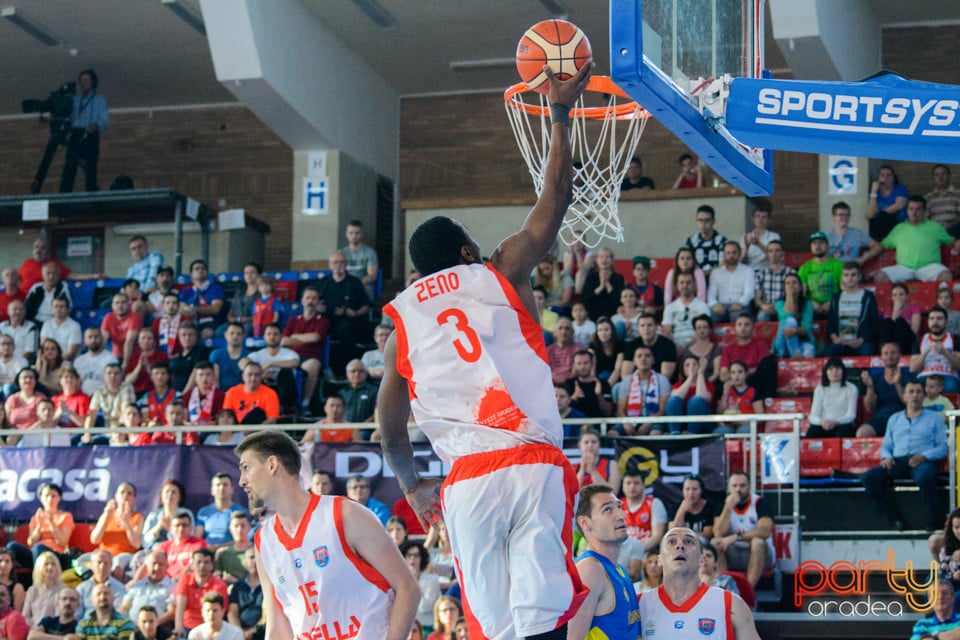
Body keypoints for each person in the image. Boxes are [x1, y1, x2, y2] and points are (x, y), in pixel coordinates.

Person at [378, 64, 592, 640]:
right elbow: (558, 196)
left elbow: (389, 427)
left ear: (420, 273)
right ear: (468, 247)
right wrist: (560, 111)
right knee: (544, 616)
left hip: (467, 478)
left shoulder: (404, 321)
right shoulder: (500, 268)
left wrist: (413, 487)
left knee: (492, 628)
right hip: (531, 462)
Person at [235, 430, 420, 639]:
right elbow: (278, 628)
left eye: (246, 468)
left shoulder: (344, 514)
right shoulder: (264, 541)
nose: (241, 481)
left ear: (272, 464)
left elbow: (408, 588)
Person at [862, 379, 947, 531]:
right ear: (905, 396)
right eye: (911, 392)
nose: (915, 396)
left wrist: (924, 457)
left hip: (923, 460)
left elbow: (942, 447)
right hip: (898, 461)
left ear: (923, 395)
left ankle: (935, 522)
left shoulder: (935, 418)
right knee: (870, 477)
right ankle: (894, 518)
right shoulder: (894, 419)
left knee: (925, 477)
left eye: (918, 392)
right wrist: (886, 456)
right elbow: (887, 445)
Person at [566, 484, 641, 640]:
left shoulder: (617, 569)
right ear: (585, 523)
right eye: (607, 510)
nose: (621, 515)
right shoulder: (590, 570)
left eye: (619, 506)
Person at [876, 195, 960, 283]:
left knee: (946, 276)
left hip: (929, 267)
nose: (914, 212)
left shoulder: (935, 227)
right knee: (880, 277)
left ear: (924, 211)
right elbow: (882, 245)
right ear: (907, 211)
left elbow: (952, 242)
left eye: (918, 209)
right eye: (911, 209)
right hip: (904, 268)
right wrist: (867, 254)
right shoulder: (899, 228)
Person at [711, 473, 775, 587]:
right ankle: (725, 587)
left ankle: (748, 590)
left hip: (759, 555)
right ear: (728, 487)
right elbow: (718, 533)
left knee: (758, 542)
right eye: (734, 486)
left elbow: (765, 531)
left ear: (749, 486)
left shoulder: (759, 503)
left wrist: (735, 537)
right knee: (715, 543)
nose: (738, 489)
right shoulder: (722, 505)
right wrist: (728, 507)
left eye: (742, 485)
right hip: (733, 553)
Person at [316, 251, 372, 371]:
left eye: (341, 262)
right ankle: (323, 369)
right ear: (330, 265)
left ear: (346, 265)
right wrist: (317, 307)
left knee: (346, 329)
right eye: (335, 262)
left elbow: (366, 305)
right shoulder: (323, 283)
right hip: (326, 319)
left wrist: (355, 313)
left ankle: (345, 369)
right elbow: (314, 301)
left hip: (348, 320)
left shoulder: (355, 282)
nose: (338, 265)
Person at [280, 286, 329, 416]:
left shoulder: (322, 321)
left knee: (313, 365)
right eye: (307, 298)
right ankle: (284, 405)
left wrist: (295, 337)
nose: (310, 301)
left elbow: (315, 337)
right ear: (302, 300)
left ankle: (305, 403)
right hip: (291, 356)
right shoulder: (293, 320)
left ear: (318, 301)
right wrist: (305, 338)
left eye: (314, 298)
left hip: (309, 358)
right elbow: (284, 341)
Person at [58, 69, 108, 193]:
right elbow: (67, 117)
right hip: (75, 134)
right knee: (69, 166)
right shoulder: (75, 100)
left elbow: (104, 121)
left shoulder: (99, 99)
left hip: (90, 135)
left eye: (86, 80)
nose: (83, 83)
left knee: (90, 166)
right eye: (81, 81)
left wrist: (96, 126)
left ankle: (91, 197)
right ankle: (64, 196)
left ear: (93, 82)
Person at [7, 483, 74, 568]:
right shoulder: (36, 518)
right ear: (41, 498)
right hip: (35, 554)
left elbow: (63, 542)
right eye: (46, 496)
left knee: (39, 547)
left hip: (55, 556)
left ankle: (38, 579)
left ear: (59, 498)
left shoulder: (66, 516)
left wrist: (52, 523)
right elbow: (31, 543)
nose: (50, 499)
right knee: (11, 546)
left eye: (53, 496)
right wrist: (38, 527)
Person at [859, 341, 912, 438]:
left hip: (903, 419)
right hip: (881, 419)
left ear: (899, 355)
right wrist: (870, 387)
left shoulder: (908, 376)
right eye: (886, 353)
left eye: (893, 353)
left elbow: (910, 403)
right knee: (863, 432)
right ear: (881, 356)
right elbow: (869, 407)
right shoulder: (875, 377)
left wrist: (897, 384)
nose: (889, 356)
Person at [826, 262, 879, 357]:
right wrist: (834, 338)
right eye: (846, 275)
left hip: (861, 343)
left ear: (859, 277)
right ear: (842, 277)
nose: (849, 278)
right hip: (840, 343)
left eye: (853, 275)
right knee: (829, 350)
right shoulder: (836, 298)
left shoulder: (868, 297)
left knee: (867, 350)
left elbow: (875, 325)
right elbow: (830, 324)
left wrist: (861, 340)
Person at [615, 345, 670, 435]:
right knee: (613, 433)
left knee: (655, 433)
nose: (643, 359)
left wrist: (648, 423)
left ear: (653, 360)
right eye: (639, 356)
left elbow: (662, 410)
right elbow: (621, 409)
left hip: (654, 420)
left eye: (647, 356)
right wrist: (626, 424)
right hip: (630, 419)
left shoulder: (662, 380)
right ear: (634, 361)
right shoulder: (627, 381)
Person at [172, 549, 228, 637]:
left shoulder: (219, 585)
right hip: (186, 627)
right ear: (192, 565)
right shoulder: (185, 579)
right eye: (198, 562)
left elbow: (218, 611)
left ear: (212, 565)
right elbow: (180, 606)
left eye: (206, 562)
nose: (202, 566)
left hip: (208, 627)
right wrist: (178, 627)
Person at [89, 483, 143, 571]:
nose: (125, 495)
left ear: (134, 498)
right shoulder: (107, 514)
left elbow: (136, 544)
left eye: (129, 493)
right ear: (116, 496)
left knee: (117, 562)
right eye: (122, 492)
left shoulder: (137, 517)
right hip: (103, 555)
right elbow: (94, 540)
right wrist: (106, 515)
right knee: (82, 560)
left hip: (124, 557)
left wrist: (127, 522)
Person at [117, 551, 175, 631]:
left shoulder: (172, 587)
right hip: (131, 628)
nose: (157, 568)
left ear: (166, 566)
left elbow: (171, 613)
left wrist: (150, 624)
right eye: (154, 564)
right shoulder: (136, 586)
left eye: (160, 564)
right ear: (147, 566)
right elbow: (125, 607)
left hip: (157, 629)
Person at [910, 306, 960, 394]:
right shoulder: (920, 341)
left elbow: (959, 365)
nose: (935, 321)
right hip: (925, 375)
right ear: (928, 322)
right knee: (914, 389)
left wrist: (944, 352)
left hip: (948, 375)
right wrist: (926, 351)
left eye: (939, 318)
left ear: (946, 322)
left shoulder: (955, 339)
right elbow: (913, 368)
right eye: (932, 319)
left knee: (952, 387)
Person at [806, 356, 858, 438]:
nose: (834, 372)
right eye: (830, 369)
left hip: (842, 424)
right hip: (823, 424)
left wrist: (836, 422)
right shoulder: (819, 389)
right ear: (826, 372)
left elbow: (851, 415)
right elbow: (813, 416)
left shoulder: (851, 388)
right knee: (813, 432)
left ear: (843, 371)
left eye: (837, 369)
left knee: (844, 431)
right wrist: (822, 422)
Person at [195, 475, 248, 550]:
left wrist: (220, 548)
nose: (221, 488)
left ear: (232, 489)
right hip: (207, 554)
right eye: (218, 485)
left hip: (232, 554)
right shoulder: (203, 512)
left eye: (225, 484)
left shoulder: (241, 512)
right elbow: (197, 538)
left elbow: (245, 539)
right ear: (212, 490)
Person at [399, 541, 442, 635]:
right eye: (409, 555)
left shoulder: (432, 580)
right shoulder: (399, 581)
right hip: (404, 628)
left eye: (416, 555)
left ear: (422, 558)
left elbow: (424, 607)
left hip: (426, 627)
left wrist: (414, 582)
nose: (412, 559)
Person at [797, 232, 843, 317]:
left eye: (821, 243)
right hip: (812, 308)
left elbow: (844, 290)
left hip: (835, 305)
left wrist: (832, 302)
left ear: (827, 246)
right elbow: (802, 294)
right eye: (814, 243)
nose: (817, 246)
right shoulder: (804, 268)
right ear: (811, 247)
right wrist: (811, 302)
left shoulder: (839, 265)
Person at [620, 469, 667, 553]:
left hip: (647, 555)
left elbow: (657, 536)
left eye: (636, 483)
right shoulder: (617, 505)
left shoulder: (654, 503)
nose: (632, 487)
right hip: (621, 555)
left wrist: (636, 553)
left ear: (644, 485)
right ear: (623, 486)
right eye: (628, 483)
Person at [707, 241, 755, 324]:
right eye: (728, 253)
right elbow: (711, 293)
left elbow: (749, 292)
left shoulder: (748, 271)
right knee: (708, 318)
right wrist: (714, 304)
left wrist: (740, 303)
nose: (731, 255)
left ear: (739, 254)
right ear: (724, 255)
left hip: (740, 305)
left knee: (739, 319)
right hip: (721, 305)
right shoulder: (715, 272)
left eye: (734, 252)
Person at [666, 355, 714, 435]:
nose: (691, 367)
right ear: (683, 370)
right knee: (673, 400)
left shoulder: (708, 385)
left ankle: (691, 432)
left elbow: (701, 397)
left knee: (696, 400)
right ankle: (675, 433)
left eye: (694, 364)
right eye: (687, 365)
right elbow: (675, 398)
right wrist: (690, 377)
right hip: (682, 423)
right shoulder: (678, 385)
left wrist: (700, 372)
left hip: (703, 424)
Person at [662, 272, 711, 348]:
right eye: (682, 283)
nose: (685, 285)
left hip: (697, 347)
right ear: (677, 285)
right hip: (675, 348)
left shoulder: (703, 306)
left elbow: (704, 332)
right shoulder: (670, 307)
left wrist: (686, 348)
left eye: (688, 283)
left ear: (694, 285)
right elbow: (666, 332)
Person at [179, 260, 226, 340]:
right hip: (191, 324)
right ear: (191, 275)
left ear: (207, 273)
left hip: (212, 324)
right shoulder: (185, 292)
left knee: (206, 333)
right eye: (197, 269)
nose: (200, 270)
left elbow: (215, 309)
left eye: (203, 269)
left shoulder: (215, 288)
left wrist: (194, 309)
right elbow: (181, 309)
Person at [772, 273, 815, 358]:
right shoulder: (779, 303)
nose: (791, 286)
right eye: (787, 283)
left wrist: (795, 331)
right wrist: (790, 296)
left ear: (800, 287)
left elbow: (806, 327)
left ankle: (796, 354)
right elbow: (788, 316)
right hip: (782, 342)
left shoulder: (807, 303)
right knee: (791, 321)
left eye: (794, 283)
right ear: (784, 288)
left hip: (802, 340)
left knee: (809, 353)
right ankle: (795, 354)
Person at [624, 313, 677, 381]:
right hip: (635, 383)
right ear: (638, 328)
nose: (646, 329)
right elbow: (625, 374)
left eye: (650, 325)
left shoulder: (668, 345)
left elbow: (665, 377)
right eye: (642, 326)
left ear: (656, 327)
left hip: (659, 383)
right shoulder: (632, 345)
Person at [75, 550, 126, 620]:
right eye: (99, 562)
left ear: (111, 566)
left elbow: (119, 614)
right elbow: (76, 615)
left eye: (106, 563)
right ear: (92, 565)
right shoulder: (82, 589)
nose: (102, 566)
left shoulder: (120, 588)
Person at [155, 513, 207, 581]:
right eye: (177, 525)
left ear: (191, 528)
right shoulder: (164, 546)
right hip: (165, 583)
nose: (181, 528)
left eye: (184, 525)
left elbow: (194, 565)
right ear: (171, 528)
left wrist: (179, 578)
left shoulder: (199, 544)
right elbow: (154, 563)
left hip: (188, 582)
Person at [752, 240, 795, 322]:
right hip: (767, 308)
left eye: (777, 250)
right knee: (762, 316)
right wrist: (763, 306)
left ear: (782, 253)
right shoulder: (760, 274)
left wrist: (778, 306)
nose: (774, 254)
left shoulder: (791, 273)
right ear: (767, 254)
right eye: (770, 251)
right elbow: (757, 300)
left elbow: (795, 296)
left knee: (790, 317)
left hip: (785, 307)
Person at [143, 482, 193, 550]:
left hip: (179, 550)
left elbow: (190, 537)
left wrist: (170, 528)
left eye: (173, 492)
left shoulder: (186, 514)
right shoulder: (153, 515)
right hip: (154, 551)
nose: (170, 494)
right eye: (167, 492)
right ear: (161, 496)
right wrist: (158, 527)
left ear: (180, 497)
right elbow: (144, 543)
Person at [564, 350, 612, 420]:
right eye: (579, 363)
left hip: (596, 425)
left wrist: (599, 395)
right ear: (574, 365)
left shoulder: (603, 384)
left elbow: (608, 412)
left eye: (586, 363)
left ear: (592, 363)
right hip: (574, 425)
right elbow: (560, 411)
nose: (582, 367)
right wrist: (574, 397)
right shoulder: (568, 384)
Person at [668, 475, 717, 543]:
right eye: (687, 489)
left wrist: (685, 536)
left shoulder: (709, 507)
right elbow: (672, 532)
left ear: (701, 491)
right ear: (683, 491)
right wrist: (682, 510)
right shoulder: (675, 507)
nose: (691, 493)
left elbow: (707, 534)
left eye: (694, 489)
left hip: (701, 544)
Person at [226, 547, 262, 640]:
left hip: (262, 631)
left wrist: (254, 630)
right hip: (240, 633)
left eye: (258, 558)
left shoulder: (269, 585)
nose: (255, 561)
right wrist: (240, 633)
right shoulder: (238, 586)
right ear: (245, 562)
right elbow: (232, 613)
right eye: (251, 557)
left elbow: (268, 614)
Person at [5, 368, 47, 446]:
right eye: (24, 377)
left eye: (31, 377)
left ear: (35, 381)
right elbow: (6, 420)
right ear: (18, 380)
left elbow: (42, 420)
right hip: (13, 435)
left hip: (34, 434)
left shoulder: (41, 398)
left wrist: (25, 433)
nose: (28, 380)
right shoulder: (12, 399)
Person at [866, 164, 909, 241]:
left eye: (888, 175)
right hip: (881, 227)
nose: (885, 177)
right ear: (879, 178)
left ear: (893, 178)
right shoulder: (875, 194)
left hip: (899, 224)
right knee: (874, 221)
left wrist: (880, 215)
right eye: (882, 175)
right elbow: (870, 215)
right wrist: (873, 192)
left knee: (881, 217)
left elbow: (899, 205)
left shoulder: (900, 188)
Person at [340, 219, 380, 301]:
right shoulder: (341, 253)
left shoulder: (370, 253)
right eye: (351, 233)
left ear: (362, 234)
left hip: (363, 285)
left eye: (357, 233)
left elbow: (372, 276)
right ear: (346, 234)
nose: (354, 236)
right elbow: (337, 272)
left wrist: (356, 284)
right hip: (345, 285)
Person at [581, 248, 624, 321]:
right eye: (601, 257)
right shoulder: (591, 278)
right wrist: (600, 288)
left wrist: (608, 285)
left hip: (613, 315)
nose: (604, 260)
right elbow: (585, 300)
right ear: (597, 260)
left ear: (612, 260)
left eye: (607, 257)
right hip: (593, 316)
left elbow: (619, 300)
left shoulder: (618, 278)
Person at [22, 552, 64, 626]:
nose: (50, 567)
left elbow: (60, 617)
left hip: (54, 631)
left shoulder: (63, 590)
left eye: (53, 564)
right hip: (34, 630)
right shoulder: (32, 590)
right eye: (46, 564)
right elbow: (25, 616)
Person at [73, 328, 117, 396]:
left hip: (103, 398)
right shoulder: (78, 361)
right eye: (90, 337)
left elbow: (114, 383)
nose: (93, 340)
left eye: (96, 337)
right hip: (82, 399)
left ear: (102, 339)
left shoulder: (111, 359)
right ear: (84, 340)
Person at [101, 293, 143, 365]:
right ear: (112, 306)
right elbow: (103, 340)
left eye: (123, 302)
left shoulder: (135, 316)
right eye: (117, 303)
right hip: (116, 355)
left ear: (129, 304)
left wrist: (125, 364)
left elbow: (129, 341)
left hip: (134, 355)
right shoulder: (108, 317)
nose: (120, 306)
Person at [739, 199, 780, 272]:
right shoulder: (745, 237)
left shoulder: (774, 237)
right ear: (753, 219)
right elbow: (740, 261)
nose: (760, 220)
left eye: (764, 217)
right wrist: (747, 247)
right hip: (750, 271)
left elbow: (776, 259)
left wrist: (759, 244)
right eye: (757, 216)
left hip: (768, 271)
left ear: (769, 220)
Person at [574, 428, 620, 494]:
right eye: (586, 442)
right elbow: (572, 493)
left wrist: (593, 470)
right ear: (580, 445)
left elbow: (613, 492)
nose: (590, 445)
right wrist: (582, 470)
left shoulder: (611, 464)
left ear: (599, 444)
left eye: (594, 442)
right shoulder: (572, 467)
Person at [685, 205, 726, 276]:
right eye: (700, 220)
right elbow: (687, 264)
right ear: (696, 222)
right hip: (695, 279)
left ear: (713, 221)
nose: (703, 224)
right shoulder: (691, 241)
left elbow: (722, 266)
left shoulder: (722, 241)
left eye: (707, 220)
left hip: (717, 278)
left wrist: (704, 273)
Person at [168, 324, 208, 393]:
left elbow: (195, 373)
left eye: (190, 335)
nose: (187, 338)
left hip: (190, 394)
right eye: (184, 335)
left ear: (196, 336)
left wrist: (184, 394)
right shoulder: (178, 355)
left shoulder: (200, 353)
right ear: (179, 337)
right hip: (175, 393)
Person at [182, 362, 223, 428]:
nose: (204, 378)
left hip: (212, 431)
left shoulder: (220, 395)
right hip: (190, 430)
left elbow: (221, 419)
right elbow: (183, 419)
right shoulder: (187, 395)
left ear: (213, 376)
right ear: (195, 378)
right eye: (201, 375)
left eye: (208, 374)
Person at [213, 513, 251, 584]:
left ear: (249, 528)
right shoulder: (222, 553)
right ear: (230, 529)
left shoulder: (257, 551)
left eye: (243, 526)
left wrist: (237, 582)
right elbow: (217, 576)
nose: (239, 530)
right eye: (236, 526)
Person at [40, 296, 81, 361]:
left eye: (61, 307)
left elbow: (71, 353)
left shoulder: (75, 326)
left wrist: (56, 364)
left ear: (68, 309)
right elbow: (43, 347)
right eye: (56, 306)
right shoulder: (46, 324)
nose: (58, 309)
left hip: (66, 363)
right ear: (52, 309)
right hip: (48, 362)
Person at [209, 323, 248, 392]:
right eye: (232, 333)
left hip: (241, 394)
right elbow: (215, 380)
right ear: (225, 335)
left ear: (243, 336)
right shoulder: (216, 354)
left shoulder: (249, 356)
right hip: (221, 394)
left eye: (238, 334)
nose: (235, 336)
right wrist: (218, 396)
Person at [225, 264, 261, 337]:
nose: (249, 275)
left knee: (244, 330)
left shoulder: (261, 294)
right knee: (219, 331)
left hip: (251, 323)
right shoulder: (239, 293)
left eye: (252, 272)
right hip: (235, 323)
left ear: (259, 275)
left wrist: (247, 319)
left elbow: (262, 314)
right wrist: (230, 318)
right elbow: (231, 311)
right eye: (246, 273)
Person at [588, 317, 623, 384]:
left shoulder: (620, 344)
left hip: (616, 378)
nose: (603, 333)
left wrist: (607, 387)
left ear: (612, 331)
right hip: (598, 378)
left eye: (606, 330)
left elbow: (617, 370)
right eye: (600, 330)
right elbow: (592, 370)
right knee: (603, 375)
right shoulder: (592, 346)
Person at [546, 317, 579, 384]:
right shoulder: (548, 350)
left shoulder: (578, 349)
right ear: (554, 333)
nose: (563, 331)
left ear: (573, 332)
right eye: (560, 328)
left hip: (570, 384)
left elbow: (575, 373)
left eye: (567, 328)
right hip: (551, 385)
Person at [927, 164, 960, 231]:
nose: (940, 177)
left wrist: (950, 225)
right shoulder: (928, 197)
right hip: (935, 231)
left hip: (955, 229)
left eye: (943, 173)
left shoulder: (958, 194)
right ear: (933, 178)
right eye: (937, 175)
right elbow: (924, 218)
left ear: (949, 176)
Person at [0, 335, 28, 399]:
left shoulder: (21, 361)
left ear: (14, 347)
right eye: (3, 344)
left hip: (15, 389)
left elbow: (19, 379)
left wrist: (3, 382)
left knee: (7, 387)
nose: (6, 347)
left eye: (9, 344)